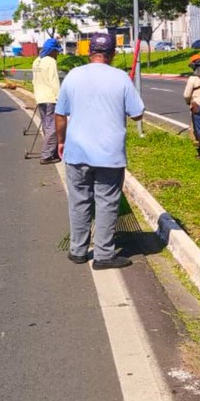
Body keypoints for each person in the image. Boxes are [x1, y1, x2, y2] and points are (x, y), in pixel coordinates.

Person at [54, 33, 145, 270]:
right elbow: (137, 114)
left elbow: (60, 114)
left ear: (88, 52)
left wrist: (61, 142)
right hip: (109, 155)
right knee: (106, 202)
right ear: (113, 54)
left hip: (76, 152)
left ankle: (78, 250)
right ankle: (104, 255)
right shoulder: (121, 78)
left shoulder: (73, 76)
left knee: (79, 201)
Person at [32, 37, 63, 165]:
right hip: (50, 98)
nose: (57, 54)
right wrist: (60, 98)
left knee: (46, 125)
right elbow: (54, 81)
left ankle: (52, 151)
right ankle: (46, 155)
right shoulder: (50, 62)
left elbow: (34, 80)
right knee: (53, 127)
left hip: (40, 97)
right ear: (51, 51)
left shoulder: (36, 61)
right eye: (56, 51)